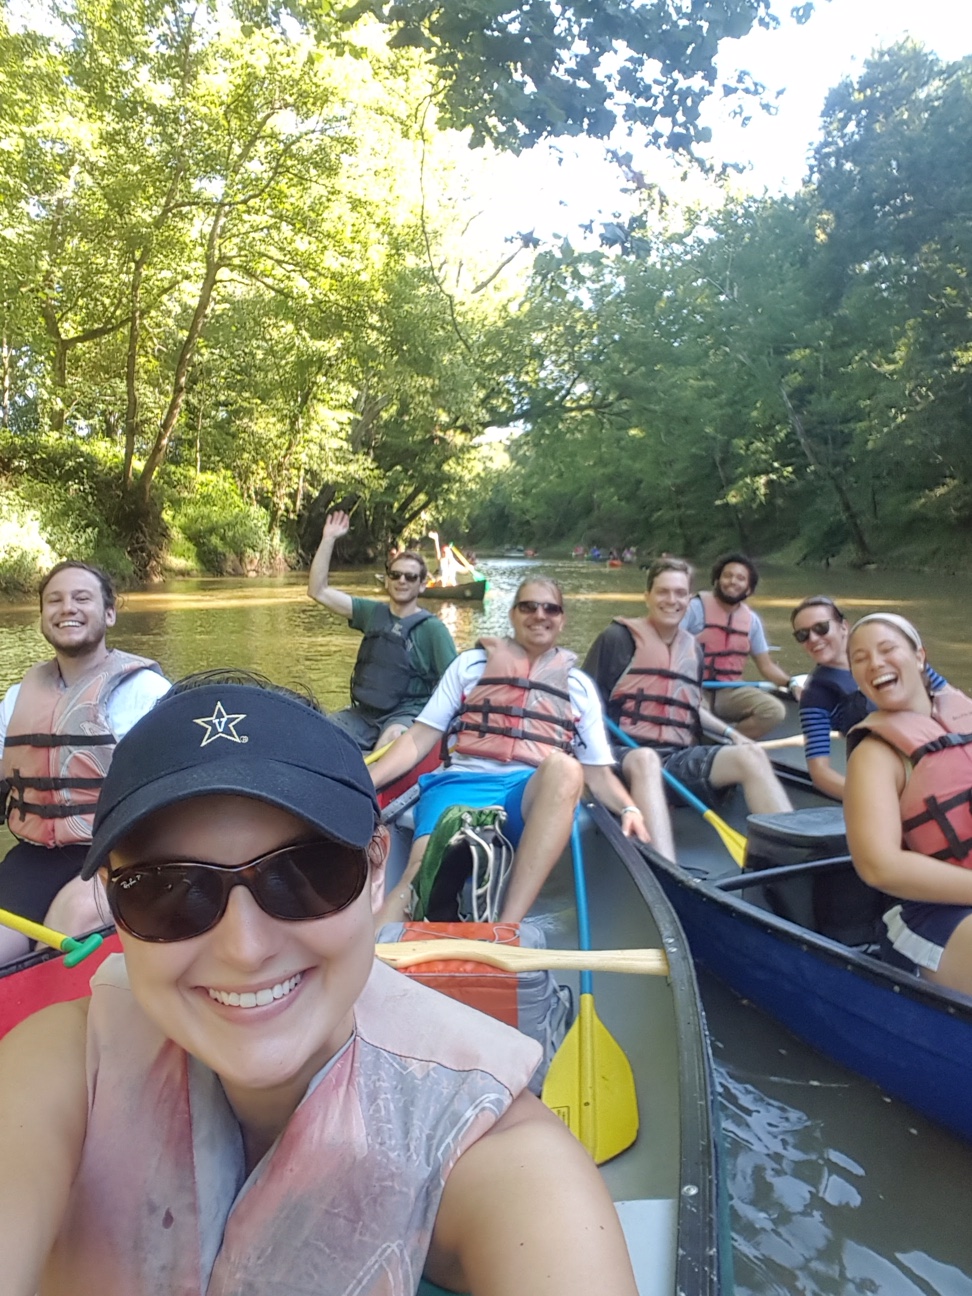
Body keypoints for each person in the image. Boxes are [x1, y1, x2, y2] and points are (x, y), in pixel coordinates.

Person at [0, 674, 638, 1296]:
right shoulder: (57, 1069)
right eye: (170, 890)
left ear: (377, 871)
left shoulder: (505, 1163)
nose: (244, 950)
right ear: (112, 903)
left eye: (305, 874)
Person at [368, 578, 659, 925]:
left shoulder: (579, 687)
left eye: (550, 608)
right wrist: (364, 780)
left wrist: (628, 806)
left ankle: (507, 926)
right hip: (460, 784)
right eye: (529, 606)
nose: (540, 615)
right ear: (513, 614)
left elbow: (597, 774)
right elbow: (419, 738)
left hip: (525, 794)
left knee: (566, 768)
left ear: (562, 619)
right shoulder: (470, 666)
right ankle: (378, 961)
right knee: (416, 875)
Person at [0, 561, 169, 964]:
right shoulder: (17, 698)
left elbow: (174, 797)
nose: (67, 608)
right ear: (42, 616)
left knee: (62, 933)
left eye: (81, 598)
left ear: (109, 614)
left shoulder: (147, 693)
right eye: (54, 600)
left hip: (121, 855)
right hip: (36, 856)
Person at [583, 557, 792, 839]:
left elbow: (690, 709)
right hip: (622, 757)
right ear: (647, 596)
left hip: (676, 760)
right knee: (646, 760)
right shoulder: (617, 639)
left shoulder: (692, 649)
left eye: (680, 593)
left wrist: (733, 734)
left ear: (689, 598)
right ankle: (666, 871)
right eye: (663, 592)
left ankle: (792, 853)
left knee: (752, 755)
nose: (672, 600)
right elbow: (583, 710)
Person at [845, 613, 972, 997]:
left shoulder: (963, 717)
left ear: (919, 657)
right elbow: (879, 866)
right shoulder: (875, 755)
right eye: (860, 658)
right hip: (934, 915)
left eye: (887, 650)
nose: (875, 664)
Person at [307, 511, 457, 752]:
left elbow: (456, 682)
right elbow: (318, 591)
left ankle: (375, 781)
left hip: (406, 715)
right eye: (395, 575)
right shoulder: (371, 612)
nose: (402, 581)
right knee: (316, 734)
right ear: (387, 580)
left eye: (410, 577)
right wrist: (328, 538)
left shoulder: (433, 630)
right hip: (363, 712)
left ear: (421, 584)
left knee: (391, 739)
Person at [793, 596, 947, 801]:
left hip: (942, 756)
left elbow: (948, 698)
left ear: (843, 627)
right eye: (803, 635)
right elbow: (820, 773)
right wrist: (875, 801)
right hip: (892, 777)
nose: (813, 639)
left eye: (821, 628)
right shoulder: (816, 694)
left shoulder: (899, 657)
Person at [681, 552, 801, 740]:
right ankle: (699, 743)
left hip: (729, 691)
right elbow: (669, 647)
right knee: (692, 710)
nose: (732, 582)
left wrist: (791, 683)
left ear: (748, 588)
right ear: (717, 580)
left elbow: (766, 666)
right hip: (694, 686)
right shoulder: (693, 608)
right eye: (727, 575)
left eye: (740, 578)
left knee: (773, 711)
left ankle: (725, 746)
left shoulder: (752, 621)